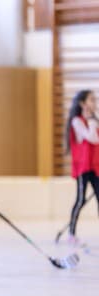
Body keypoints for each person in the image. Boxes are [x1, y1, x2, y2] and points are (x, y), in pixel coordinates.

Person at [63, 90, 99, 247]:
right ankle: (71, 233)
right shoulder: (76, 121)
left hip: (95, 167)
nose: (95, 103)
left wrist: (92, 121)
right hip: (83, 167)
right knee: (80, 199)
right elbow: (93, 138)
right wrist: (91, 121)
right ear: (82, 104)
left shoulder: (93, 121)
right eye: (91, 100)